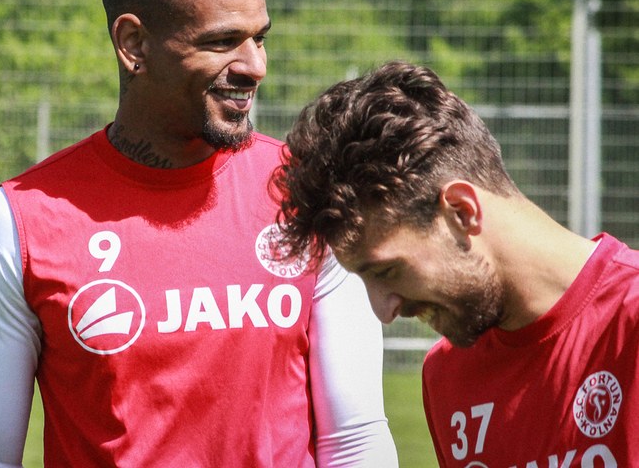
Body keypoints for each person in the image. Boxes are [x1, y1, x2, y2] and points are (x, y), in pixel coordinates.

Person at [0, 0, 398, 467]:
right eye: (222, 42)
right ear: (134, 44)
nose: (255, 66)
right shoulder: (18, 222)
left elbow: (354, 439)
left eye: (259, 38)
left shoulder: (309, 190)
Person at [272, 60, 639, 467]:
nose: (383, 311)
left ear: (462, 212)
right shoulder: (447, 376)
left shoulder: (629, 324)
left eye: (387, 271)